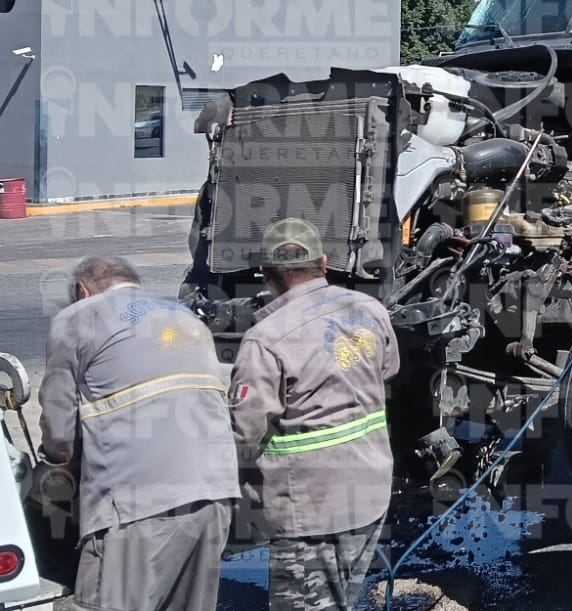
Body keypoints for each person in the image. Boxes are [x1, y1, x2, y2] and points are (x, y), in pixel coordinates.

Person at [38, 256, 239, 611]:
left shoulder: (77, 317)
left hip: (137, 504)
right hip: (215, 495)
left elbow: (59, 427)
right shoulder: (184, 317)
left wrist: (56, 470)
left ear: (82, 291)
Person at [229, 218, 400, 611]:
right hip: (369, 495)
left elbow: (245, 432)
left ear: (266, 273)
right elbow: (387, 370)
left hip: (311, 510)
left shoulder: (265, 340)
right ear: (323, 263)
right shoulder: (368, 309)